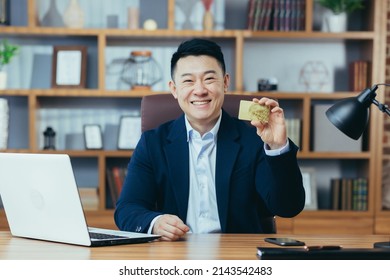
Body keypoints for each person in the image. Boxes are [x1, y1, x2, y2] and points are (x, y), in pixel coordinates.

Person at [114, 38, 305, 241]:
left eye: (209, 79)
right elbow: (127, 209)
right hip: (174, 255)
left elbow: (288, 207)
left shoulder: (255, 139)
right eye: (188, 81)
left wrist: (277, 147)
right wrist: (155, 222)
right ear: (174, 89)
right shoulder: (153, 143)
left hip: (238, 258)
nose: (200, 90)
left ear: (225, 83)